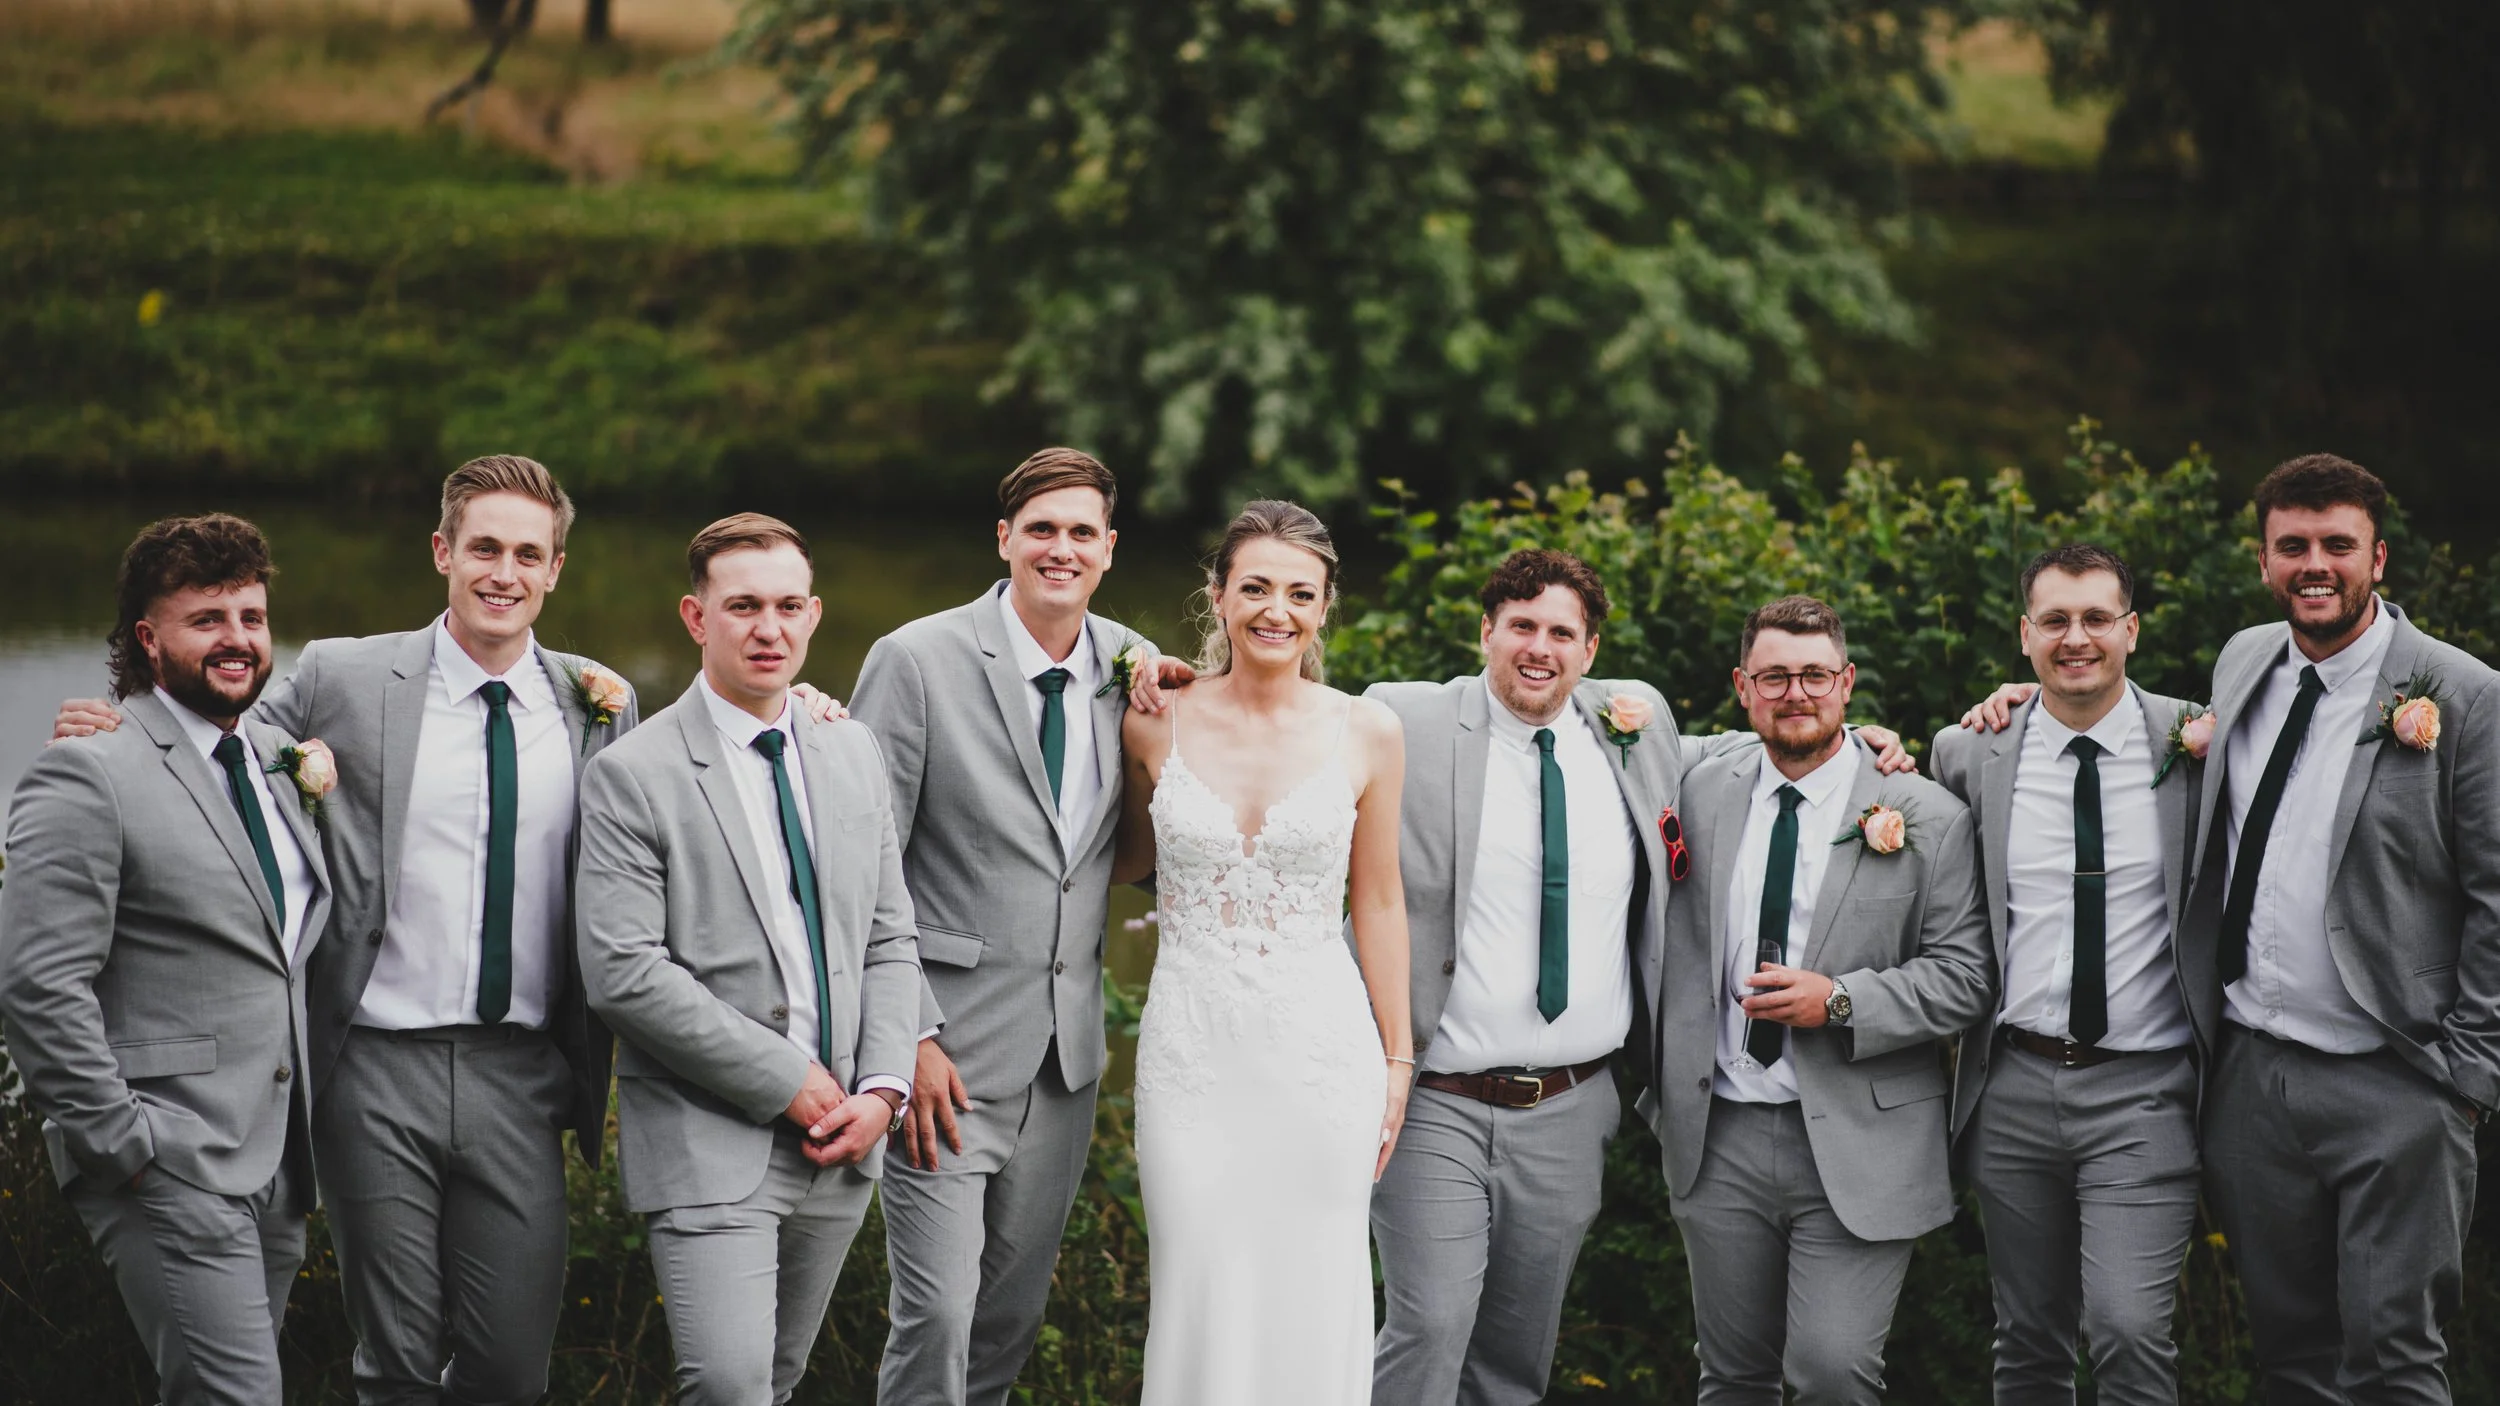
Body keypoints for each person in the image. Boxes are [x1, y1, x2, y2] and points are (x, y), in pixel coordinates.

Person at [48, 457, 640, 1405]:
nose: (504, 572)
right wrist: (109, 725)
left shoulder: (598, 703)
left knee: (509, 1368)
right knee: (397, 1360)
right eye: (483, 547)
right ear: (443, 551)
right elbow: (208, 748)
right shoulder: (343, 675)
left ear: (556, 569)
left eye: (529, 553)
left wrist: (809, 709)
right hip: (372, 1066)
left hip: (523, 1073)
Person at [847, 447, 1179, 1406]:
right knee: (938, 1316)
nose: (1061, 549)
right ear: (1005, 539)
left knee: (1006, 1323)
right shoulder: (915, 660)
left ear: (1110, 548)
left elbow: (1114, 852)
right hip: (942, 1056)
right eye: (1042, 529)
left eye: (1082, 533)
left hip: (1065, 1060)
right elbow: (865, 866)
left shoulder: (1130, 663)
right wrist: (904, 1031)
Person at [574, 513, 921, 1404]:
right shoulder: (633, 771)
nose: (769, 629)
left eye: (788, 606)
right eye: (743, 607)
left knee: (777, 1378)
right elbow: (624, 970)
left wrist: (884, 1088)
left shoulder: (851, 749)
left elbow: (888, 935)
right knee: (727, 1385)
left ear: (813, 614)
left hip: (843, 1136)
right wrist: (784, 1078)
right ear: (697, 618)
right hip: (708, 1134)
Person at [2174, 456, 2496, 1401]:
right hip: (2253, 1081)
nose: (2316, 565)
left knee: (2396, 1359)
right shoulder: (2243, 662)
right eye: (2293, 547)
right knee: (2288, 1358)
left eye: (2337, 546)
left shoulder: (2465, 695)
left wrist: (2466, 1082)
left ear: (2378, 558)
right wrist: (2028, 699)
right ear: (2265, 560)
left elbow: (2496, 893)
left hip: (2398, 1079)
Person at [2, 514, 334, 1406]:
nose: (238, 641)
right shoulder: (91, 768)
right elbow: (37, 983)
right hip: (167, 1158)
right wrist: (124, 1143)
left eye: (253, 618)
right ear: (150, 639)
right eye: (209, 620)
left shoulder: (272, 756)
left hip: (274, 1164)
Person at [1641, 594, 1993, 1405]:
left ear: (1848, 682)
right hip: (1717, 1129)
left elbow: (1969, 975)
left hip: (1860, 1136)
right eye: (1773, 677)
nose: (1795, 693)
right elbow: (1602, 721)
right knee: (1731, 1377)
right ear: (1742, 685)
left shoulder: (1924, 813)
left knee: (1833, 1373)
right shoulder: (1696, 789)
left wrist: (1840, 1000)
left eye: (1814, 675)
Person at [1110, 499, 1413, 1406]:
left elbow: (1381, 899)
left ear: (1324, 609)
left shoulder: (1368, 731)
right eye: (1254, 588)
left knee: (1316, 1287)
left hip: (1322, 1056)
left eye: (1299, 593)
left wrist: (1398, 1059)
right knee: (1198, 1280)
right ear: (1218, 596)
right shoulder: (1152, 719)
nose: (1275, 610)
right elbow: (1125, 861)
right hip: (1192, 1054)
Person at [1927, 545, 2204, 1405]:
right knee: (2029, 1340)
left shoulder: (2202, 743)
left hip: (2145, 1092)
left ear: (2130, 628)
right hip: (2011, 1088)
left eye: (2094, 618)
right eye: (2054, 620)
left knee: (2127, 1329)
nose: (2074, 638)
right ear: (2024, 635)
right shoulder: (1969, 754)